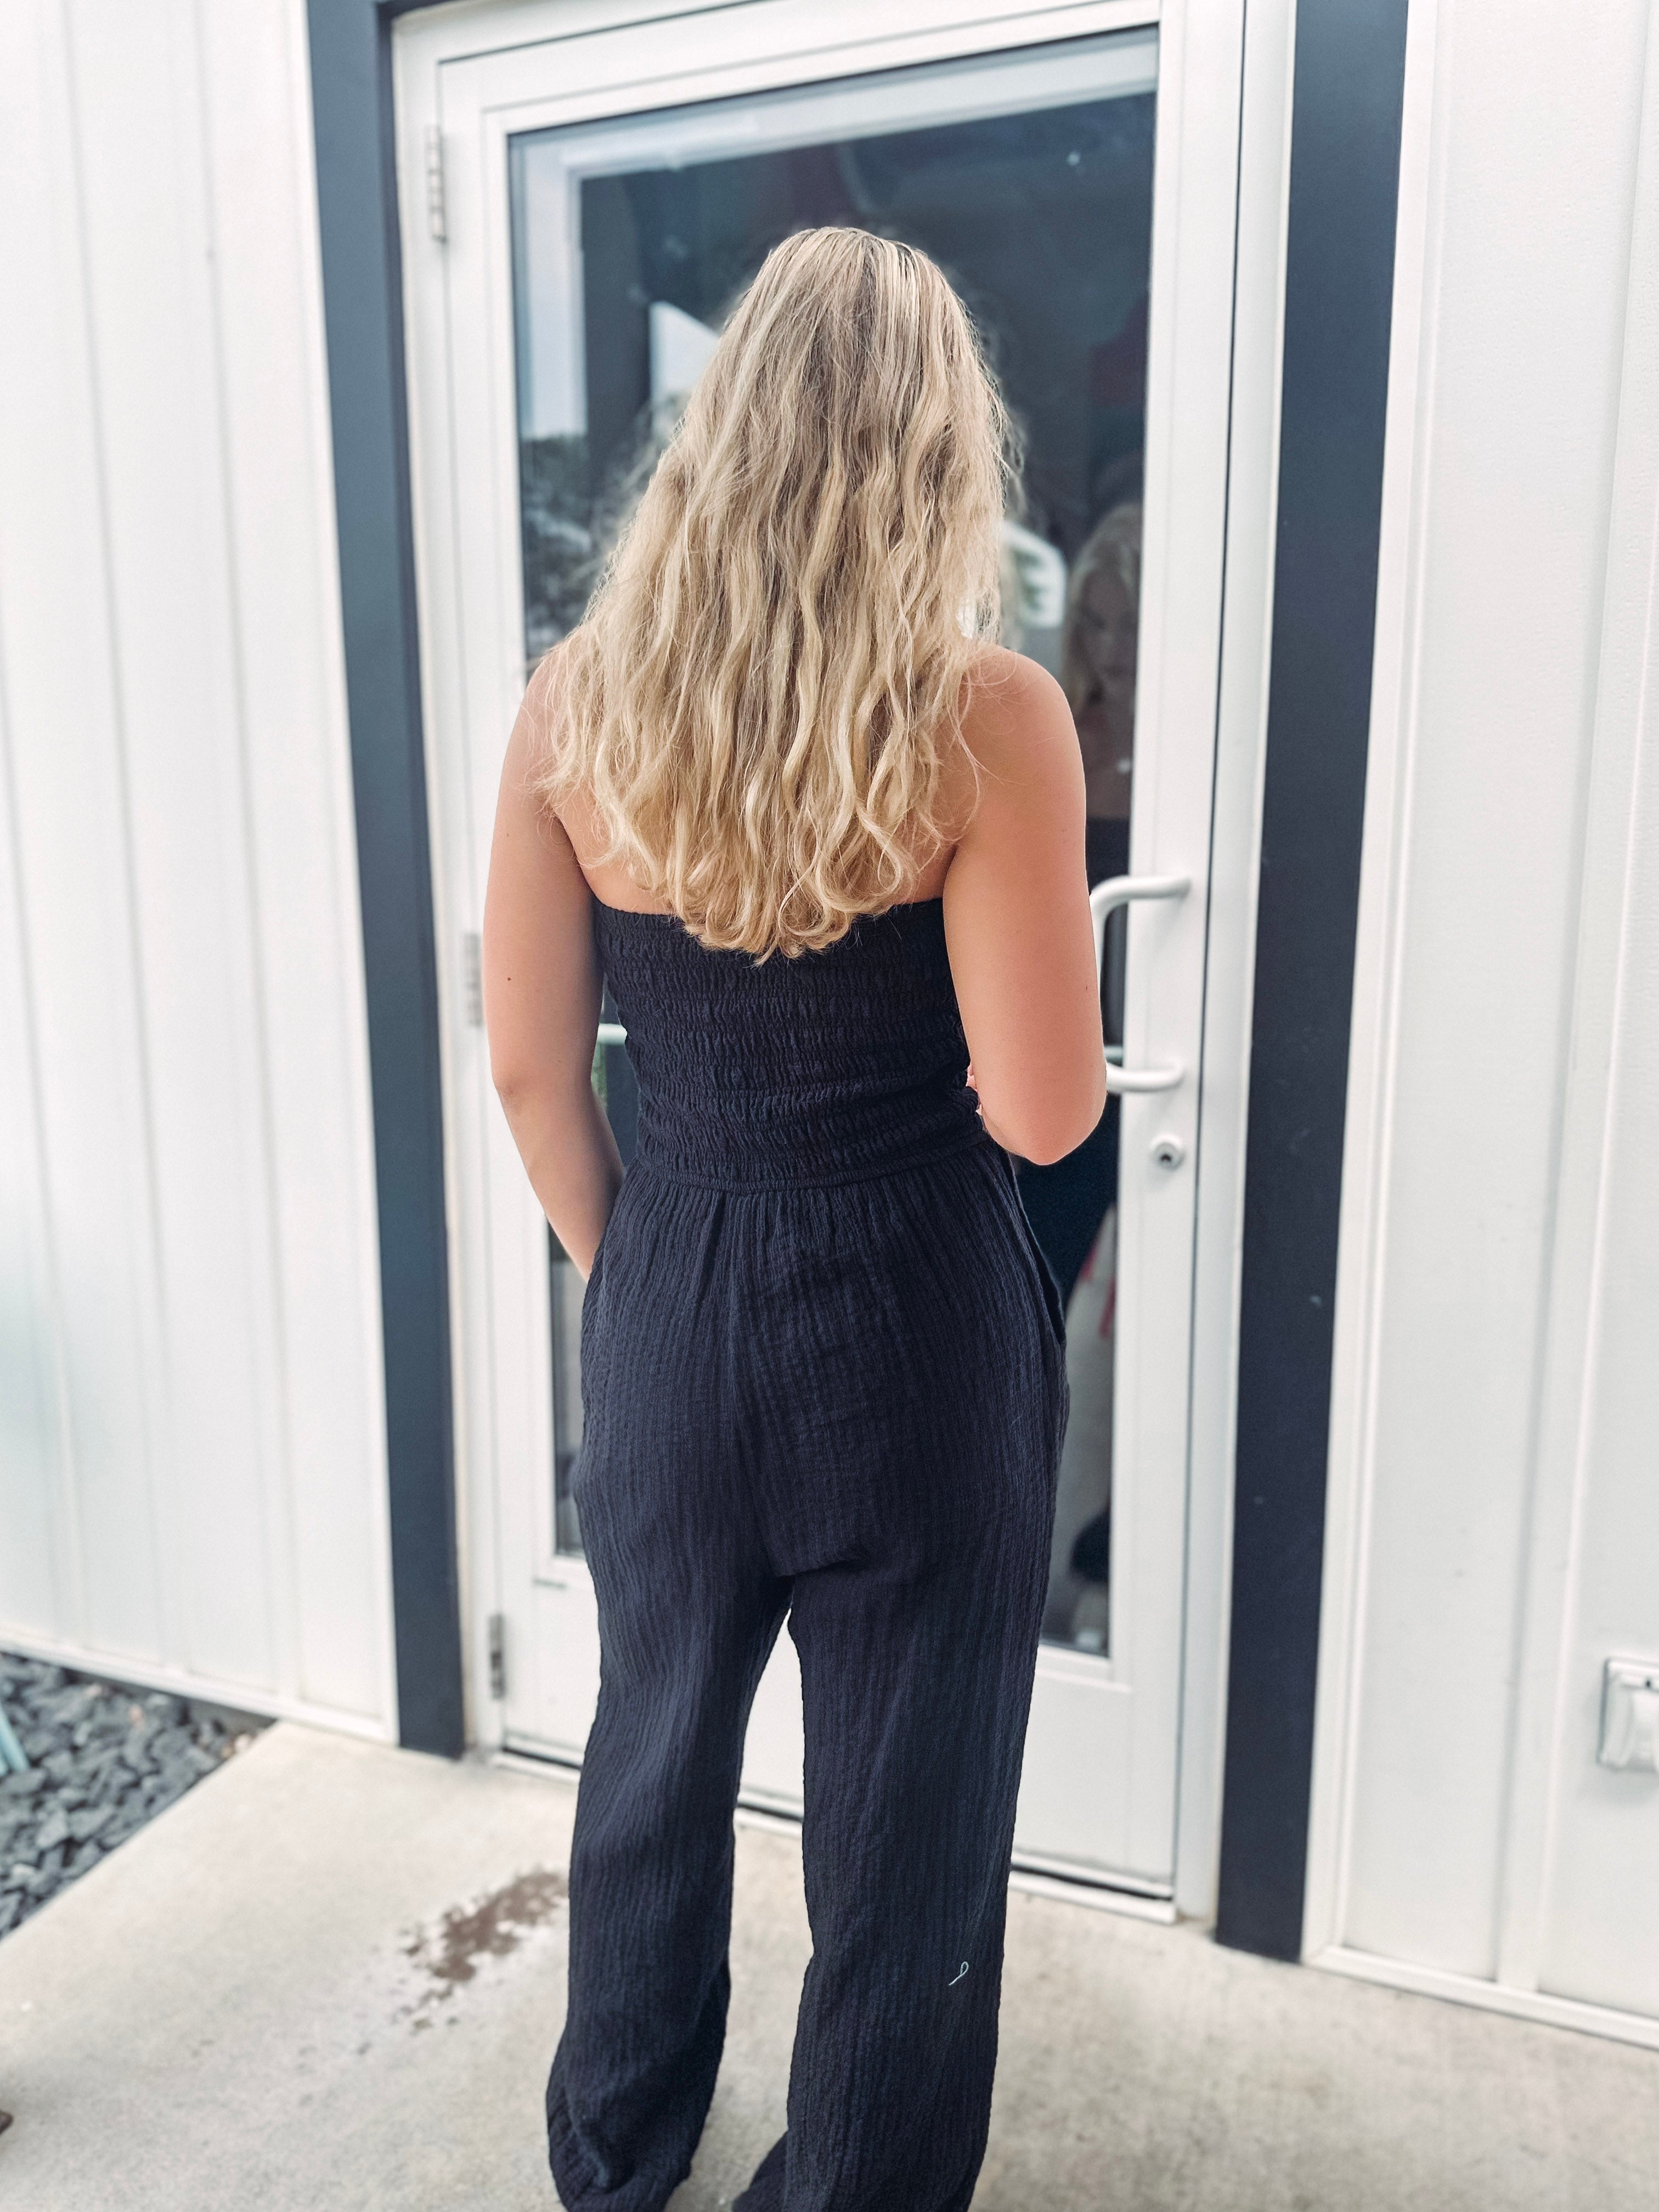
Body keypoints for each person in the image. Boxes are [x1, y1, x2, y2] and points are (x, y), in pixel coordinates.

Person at [482, 227, 1105, 2212]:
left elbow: (531, 1071)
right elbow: (1044, 1110)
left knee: (650, 1757)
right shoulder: (987, 717)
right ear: (939, 452)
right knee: (911, 1820)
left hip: (671, 1290)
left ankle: (613, 2156)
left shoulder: (573, 707)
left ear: (718, 430)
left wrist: (652, 1279)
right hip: (914, 1324)